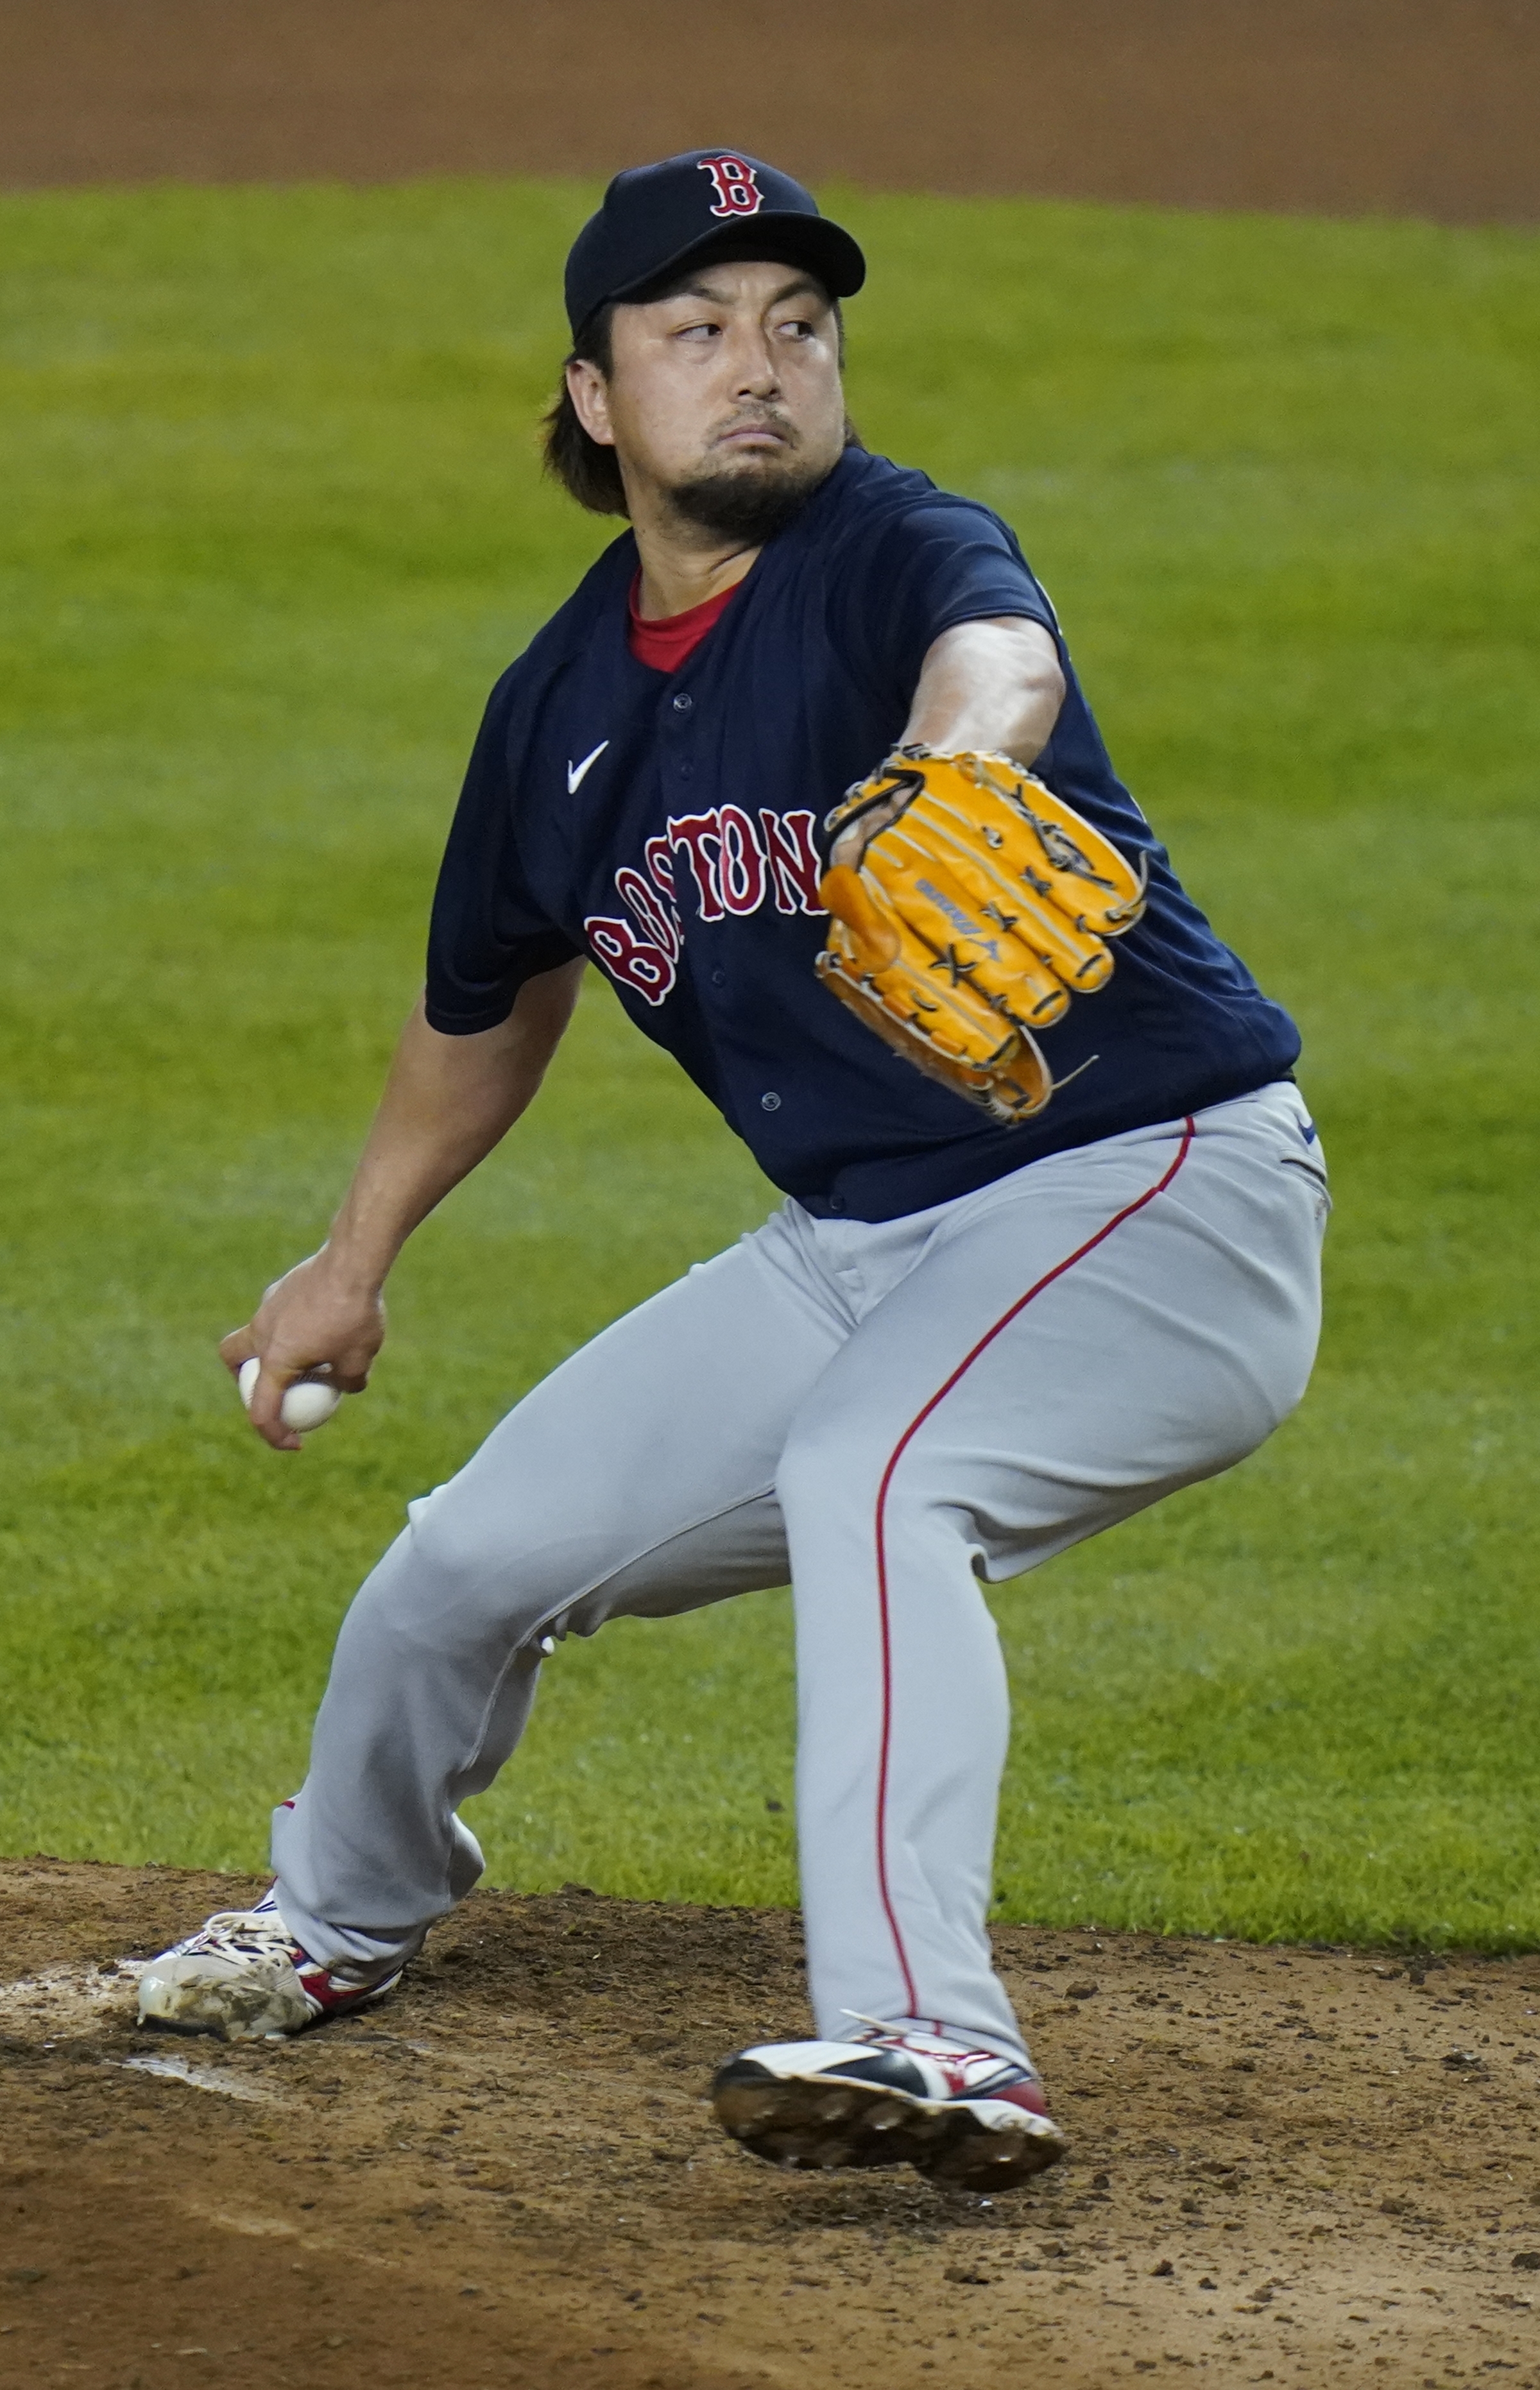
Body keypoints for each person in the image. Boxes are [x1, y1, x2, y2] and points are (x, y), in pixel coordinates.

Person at [136, 151, 1328, 2195]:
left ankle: (939, 2041)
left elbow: (1000, 658)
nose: (758, 368)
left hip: (1150, 1188)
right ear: (597, 399)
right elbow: (487, 999)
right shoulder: (557, 713)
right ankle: (335, 1921)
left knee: (877, 1474)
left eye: (798, 326)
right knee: (461, 1566)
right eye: (694, 333)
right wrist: (353, 1258)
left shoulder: (891, 550)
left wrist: (949, 771)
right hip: (861, 1244)